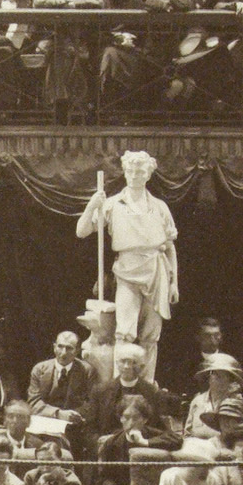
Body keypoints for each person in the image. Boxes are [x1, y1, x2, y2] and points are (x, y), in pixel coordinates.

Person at [80, 150, 182, 378]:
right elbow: (82, 231)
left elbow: (169, 246)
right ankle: (121, 384)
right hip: (126, 271)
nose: (135, 175)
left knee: (150, 335)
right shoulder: (113, 204)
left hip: (157, 272)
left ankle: (145, 384)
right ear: (124, 172)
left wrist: (174, 282)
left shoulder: (159, 207)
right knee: (124, 332)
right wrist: (92, 205)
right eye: (130, 170)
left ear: (148, 175)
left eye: (140, 171)